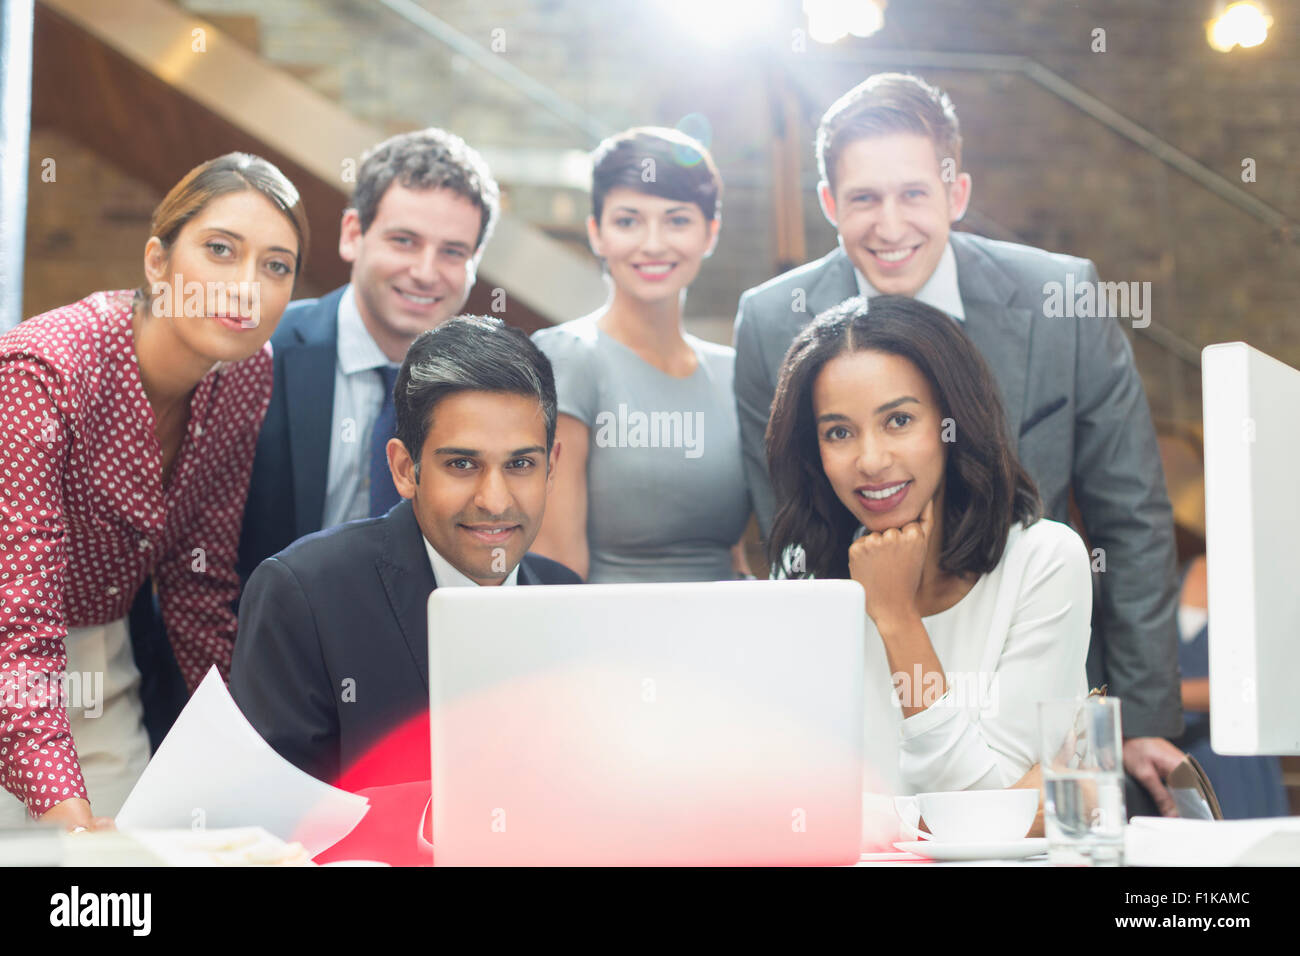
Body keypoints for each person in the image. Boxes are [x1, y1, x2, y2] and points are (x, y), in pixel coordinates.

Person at [733, 71, 1185, 812]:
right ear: (828, 205)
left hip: (1036, 677)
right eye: (863, 199)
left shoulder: (1059, 299)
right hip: (864, 666)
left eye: (913, 193)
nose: (889, 224)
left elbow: (1128, 514)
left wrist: (1138, 719)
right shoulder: (772, 321)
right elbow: (788, 515)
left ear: (957, 194)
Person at [0, 153, 308, 828]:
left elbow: (199, 587)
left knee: (123, 890)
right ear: (157, 263)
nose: (245, 287)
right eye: (220, 250)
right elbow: (18, 623)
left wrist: (246, 762)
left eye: (276, 265)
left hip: (100, 660)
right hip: (15, 650)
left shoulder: (247, 372)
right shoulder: (43, 370)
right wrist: (63, 815)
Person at [231, 317, 580, 787]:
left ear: (551, 468)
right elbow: (272, 823)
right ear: (403, 468)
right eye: (462, 464)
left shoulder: (570, 601)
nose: (495, 500)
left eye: (520, 464)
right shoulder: (303, 595)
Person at [767, 294, 1091, 796]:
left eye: (898, 420)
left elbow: (977, 807)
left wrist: (896, 617)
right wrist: (1026, 806)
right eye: (838, 432)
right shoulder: (804, 577)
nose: (871, 460)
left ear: (952, 424)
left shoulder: (1044, 561)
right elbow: (794, 798)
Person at [238, 127, 500, 581]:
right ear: (353, 234)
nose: (424, 272)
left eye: (452, 252)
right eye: (404, 241)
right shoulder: (258, 354)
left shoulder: (488, 391)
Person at [530, 127, 751, 582]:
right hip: (609, 642)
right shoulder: (567, 359)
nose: (653, 244)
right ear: (597, 233)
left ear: (710, 233)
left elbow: (736, 558)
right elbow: (557, 568)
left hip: (730, 636)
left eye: (677, 220)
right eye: (628, 221)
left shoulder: (735, 373)